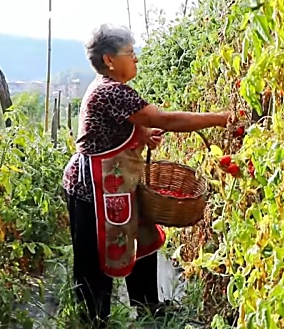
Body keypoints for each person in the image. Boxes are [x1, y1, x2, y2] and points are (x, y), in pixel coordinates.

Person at [62, 23, 232, 328]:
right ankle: (93, 320)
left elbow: (120, 129)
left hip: (116, 184)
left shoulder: (109, 87)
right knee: (92, 259)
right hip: (92, 189)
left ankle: (148, 306)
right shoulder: (111, 91)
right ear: (110, 60)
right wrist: (220, 118)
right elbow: (165, 118)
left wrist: (141, 135)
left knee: (140, 239)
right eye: (130, 52)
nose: (136, 58)